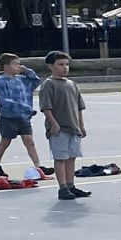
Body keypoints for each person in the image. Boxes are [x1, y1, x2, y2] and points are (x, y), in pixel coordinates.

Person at [37, 52, 89, 201]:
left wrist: (81, 125)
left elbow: (79, 106)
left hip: (73, 127)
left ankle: (71, 185)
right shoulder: (48, 84)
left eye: (66, 64)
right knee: (60, 158)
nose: (65, 68)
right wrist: (54, 124)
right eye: (60, 64)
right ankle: (63, 188)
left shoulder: (71, 84)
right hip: (59, 128)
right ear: (50, 66)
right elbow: (46, 107)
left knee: (71, 157)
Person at [0, 53, 48, 179]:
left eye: (19, 64)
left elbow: (36, 81)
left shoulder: (22, 80)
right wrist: (22, 107)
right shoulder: (0, 82)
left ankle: (38, 166)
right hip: (9, 117)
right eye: (15, 64)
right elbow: (4, 100)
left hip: (23, 117)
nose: (18, 67)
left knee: (29, 141)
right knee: (5, 141)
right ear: (5, 67)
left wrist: (27, 71)